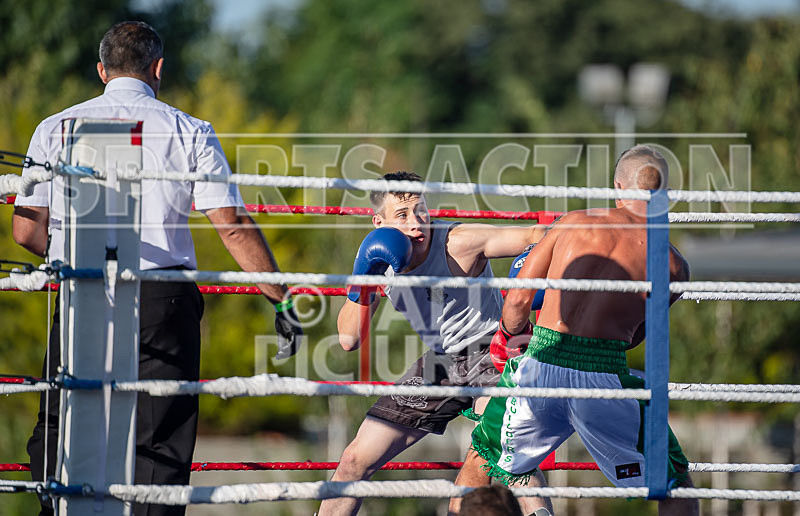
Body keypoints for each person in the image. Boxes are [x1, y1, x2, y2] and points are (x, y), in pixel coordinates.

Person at [12, 21, 302, 516]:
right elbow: (230, 227)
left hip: (82, 288)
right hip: (161, 299)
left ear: (101, 70)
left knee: (65, 421)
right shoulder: (189, 130)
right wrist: (282, 295)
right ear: (158, 68)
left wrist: (68, 253)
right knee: (157, 442)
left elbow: (25, 231)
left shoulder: (53, 128)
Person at [467, 145, 699, 515]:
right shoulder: (673, 264)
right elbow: (640, 335)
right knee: (674, 485)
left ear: (617, 186)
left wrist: (509, 340)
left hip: (540, 363)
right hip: (604, 377)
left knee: (481, 458)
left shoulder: (574, 223)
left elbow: (516, 301)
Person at [318, 171, 551, 516]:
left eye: (421, 210)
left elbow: (539, 233)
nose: (417, 222)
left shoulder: (458, 241)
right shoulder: (377, 259)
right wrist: (365, 278)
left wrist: (528, 271)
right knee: (354, 460)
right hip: (441, 363)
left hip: (496, 348)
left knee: (506, 447)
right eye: (402, 215)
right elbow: (349, 338)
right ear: (379, 222)